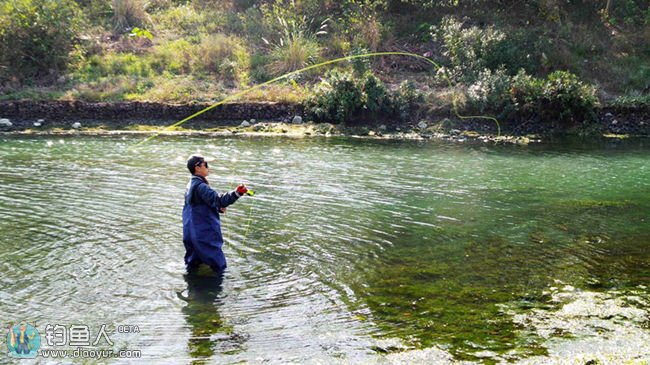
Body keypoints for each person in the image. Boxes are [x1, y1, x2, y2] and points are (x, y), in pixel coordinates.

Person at [183, 155, 248, 274]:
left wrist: (217, 209)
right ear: (197, 168)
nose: (208, 168)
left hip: (190, 234)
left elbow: (197, 205)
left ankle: (194, 290)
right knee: (219, 267)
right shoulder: (201, 186)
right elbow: (219, 200)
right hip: (204, 234)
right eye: (206, 165)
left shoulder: (190, 185)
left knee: (193, 266)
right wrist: (237, 193)